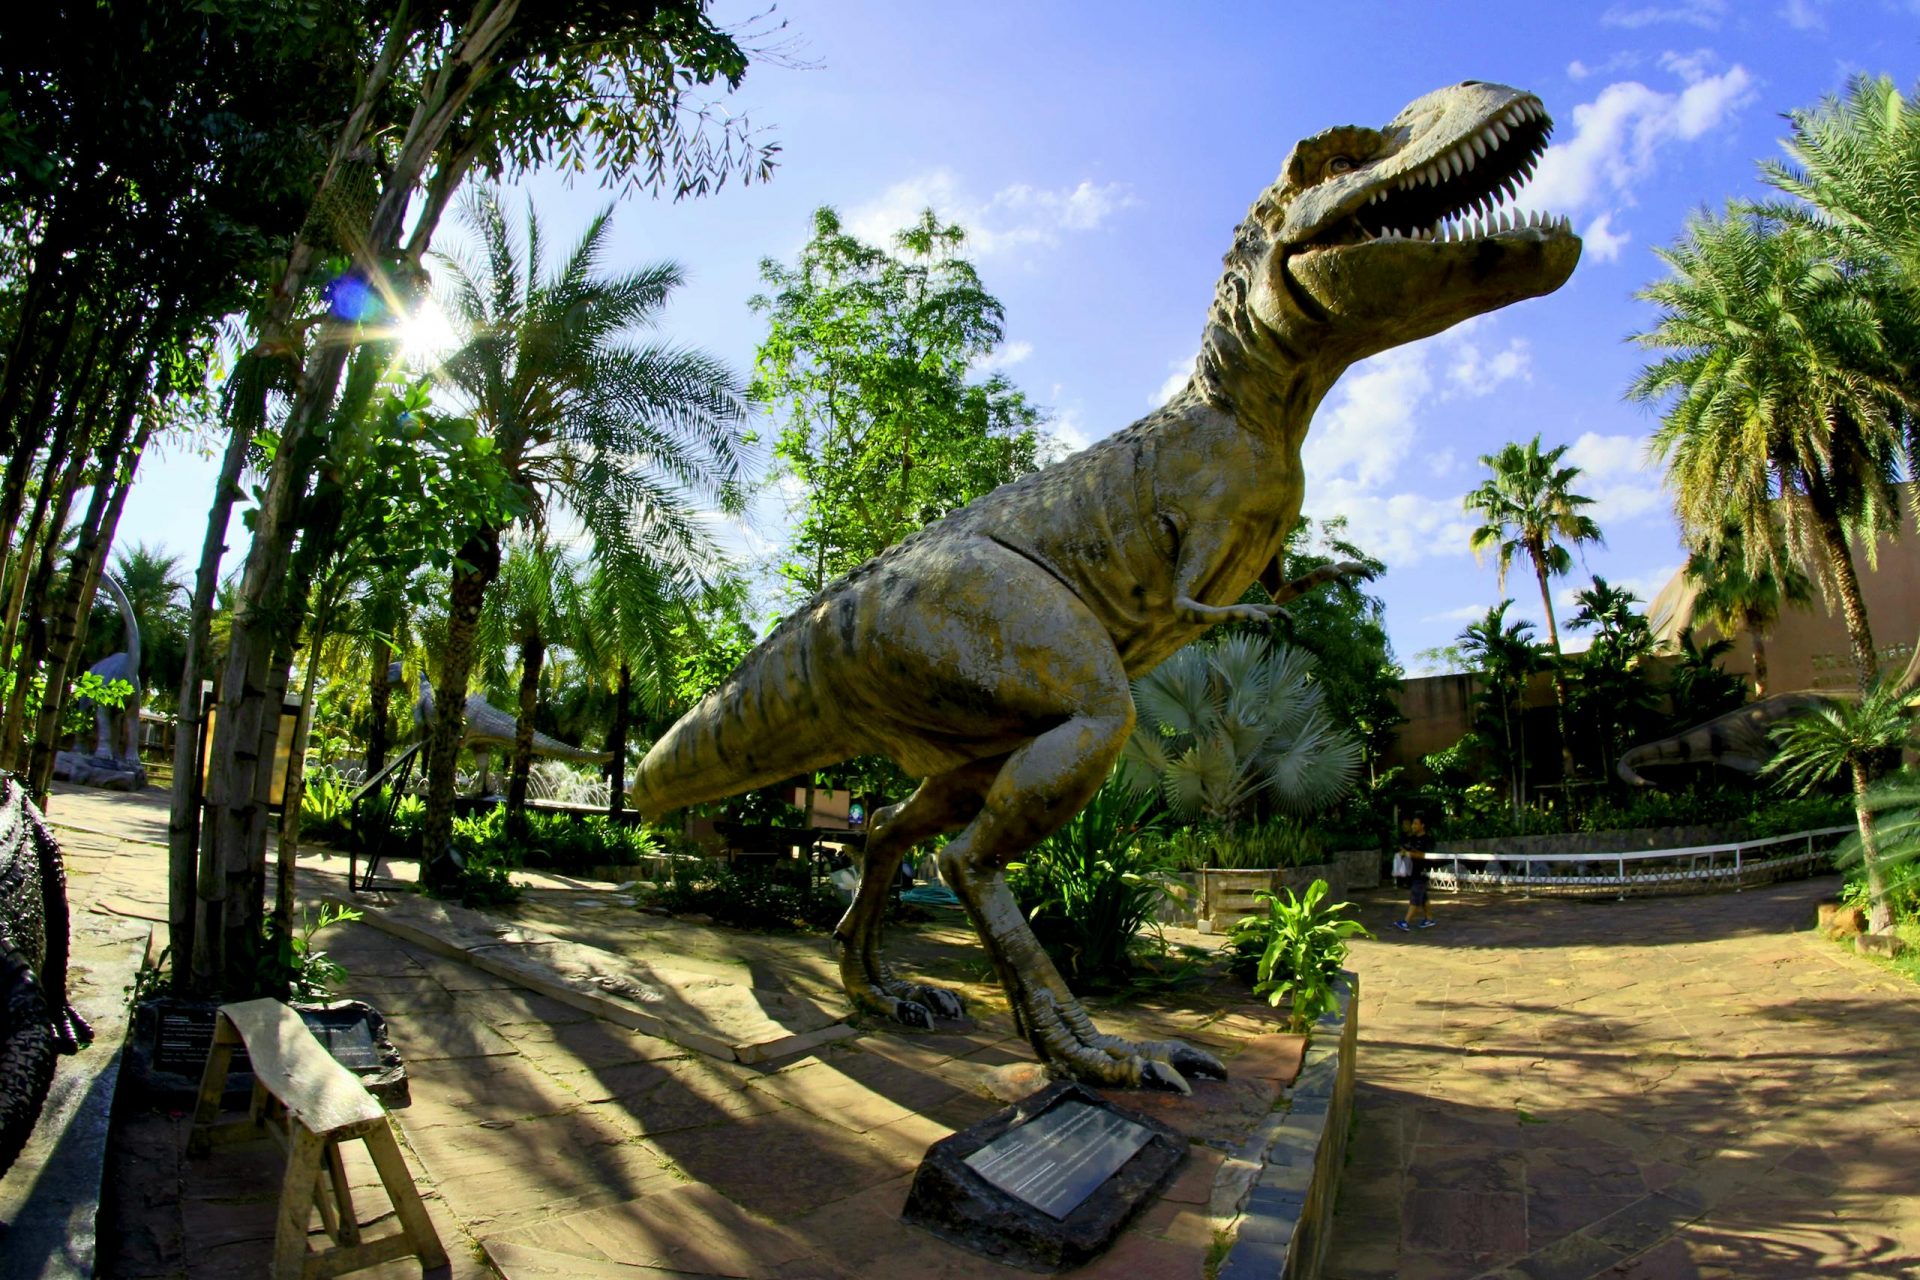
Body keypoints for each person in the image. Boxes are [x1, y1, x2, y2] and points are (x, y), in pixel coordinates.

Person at [1395, 814, 1436, 932]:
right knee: (1423, 897)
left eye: (1416, 823)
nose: (1413, 826)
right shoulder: (1412, 839)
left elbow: (1425, 855)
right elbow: (1407, 849)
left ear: (1422, 825)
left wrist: (1409, 854)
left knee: (1416, 896)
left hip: (1422, 872)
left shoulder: (1427, 840)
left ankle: (1406, 922)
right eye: (1413, 823)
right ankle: (1429, 919)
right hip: (1413, 871)